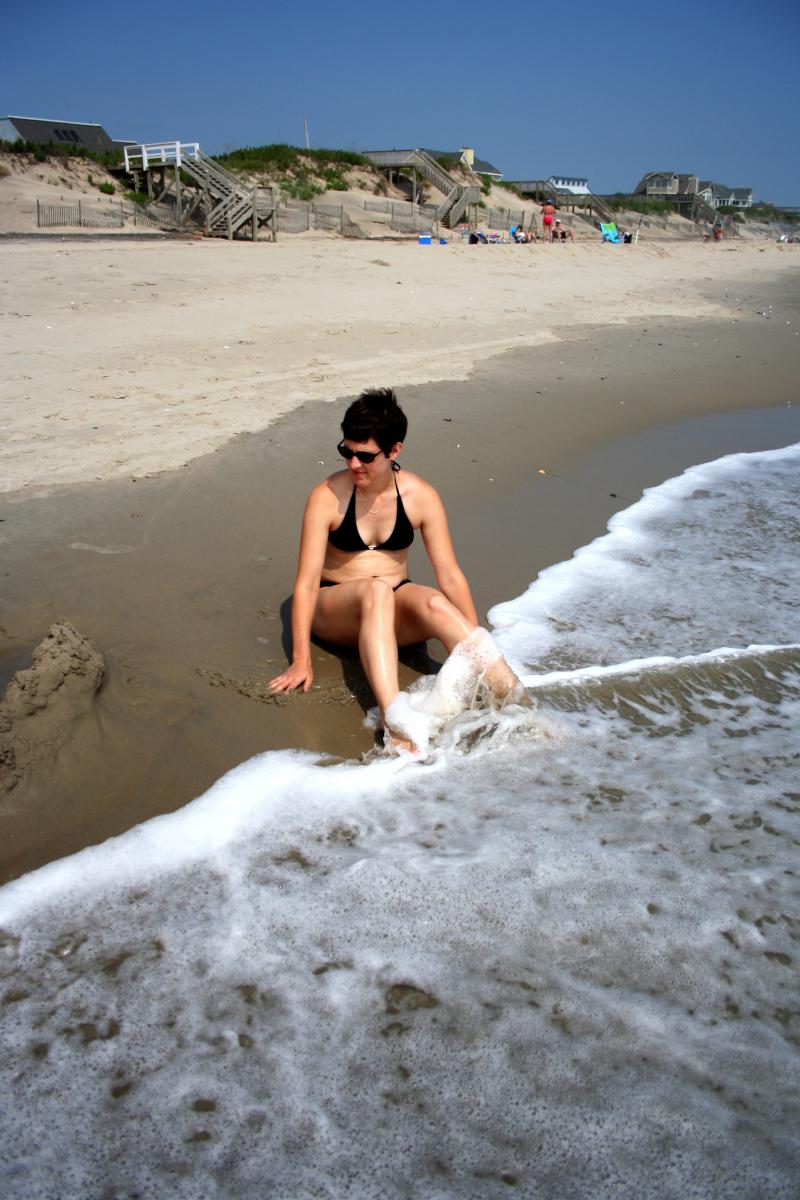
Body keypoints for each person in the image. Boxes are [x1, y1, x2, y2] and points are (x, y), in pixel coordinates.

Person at [267, 388, 526, 753]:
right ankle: (396, 722)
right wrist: (300, 659)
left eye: (365, 456)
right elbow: (307, 584)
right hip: (336, 609)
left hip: (392, 606)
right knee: (374, 590)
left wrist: (472, 641)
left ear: (394, 451)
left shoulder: (421, 497)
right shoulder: (327, 496)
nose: (353, 464)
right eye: (347, 452)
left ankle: (520, 706)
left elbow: (449, 574)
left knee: (436, 602)